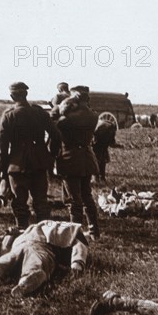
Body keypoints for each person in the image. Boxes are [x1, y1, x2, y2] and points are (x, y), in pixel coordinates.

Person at [0, 82, 61, 228]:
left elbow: (3, 146)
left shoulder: (8, 116)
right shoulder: (40, 113)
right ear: (26, 94)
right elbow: (56, 136)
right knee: (41, 202)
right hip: (39, 163)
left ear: (12, 96)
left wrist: (2, 168)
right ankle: (44, 235)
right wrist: (51, 156)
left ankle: (22, 233)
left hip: (16, 165)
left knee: (20, 203)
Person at [56, 86, 101, 240]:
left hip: (70, 160)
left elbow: (55, 122)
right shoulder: (94, 115)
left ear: (75, 97)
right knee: (87, 196)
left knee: (73, 200)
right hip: (87, 159)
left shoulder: (67, 119)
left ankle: (75, 234)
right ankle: (94, 231)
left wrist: (61, 107)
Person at [92, 117, 116, 183]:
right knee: (102, 155)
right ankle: (102, 177)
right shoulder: (108, 125)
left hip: (100, 133)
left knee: (96, 157)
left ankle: (96, 177)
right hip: (108, 131)